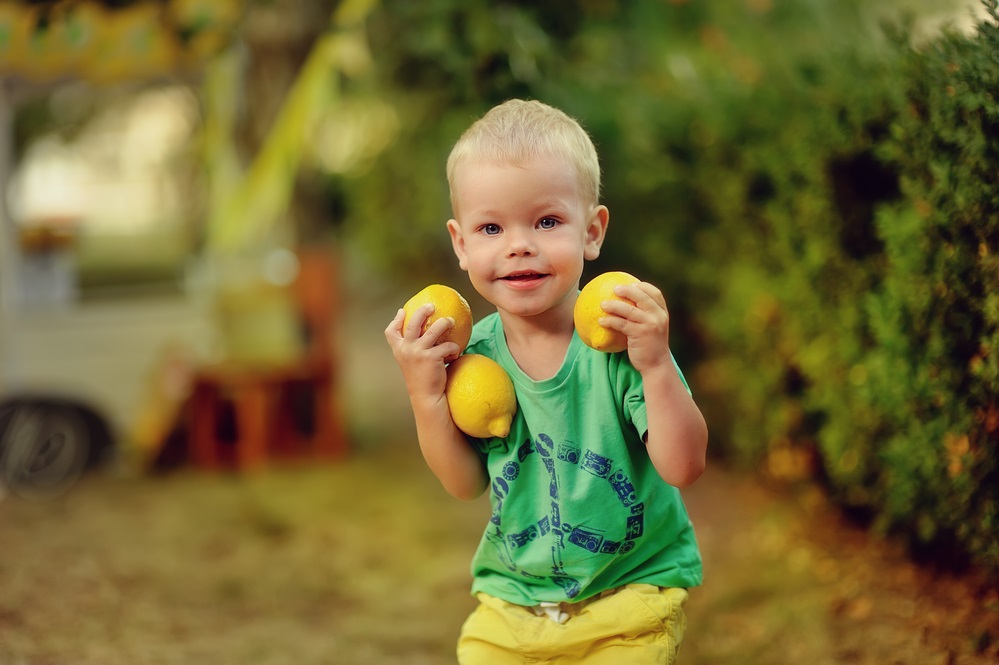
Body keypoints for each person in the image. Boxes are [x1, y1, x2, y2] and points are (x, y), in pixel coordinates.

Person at [384, 98, 708, 664]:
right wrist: (424, 393)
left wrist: (656, 363)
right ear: (462, 245)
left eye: (547, 221)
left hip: (628, 601)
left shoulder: (623, 340)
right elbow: (464, 483)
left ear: (593, 230)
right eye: (491, 226)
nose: (519, 244)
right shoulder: (468, 360)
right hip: (513, 605)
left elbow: (684, 468)